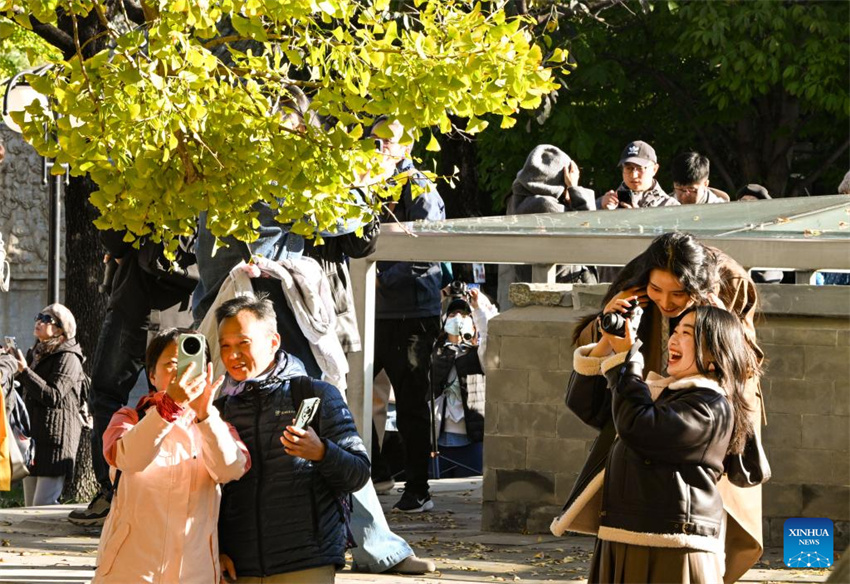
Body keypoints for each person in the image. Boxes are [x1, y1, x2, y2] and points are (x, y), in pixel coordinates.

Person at [554, 232, 766, 584]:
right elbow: (590, 402)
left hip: (689, 491)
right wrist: (608, 334)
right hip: (629, 504)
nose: (666, 304)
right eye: (656, 291)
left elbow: (742, 364)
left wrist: (714, 322)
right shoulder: (631, 289)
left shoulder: (730, 286)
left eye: (679, 295)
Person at [214, 296, 370, 583]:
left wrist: (322, 452)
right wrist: (216, 550)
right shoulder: (219, 409)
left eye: (243, 343)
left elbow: (359, 473)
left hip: (306, 561)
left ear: (273, 342)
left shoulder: (316, 394)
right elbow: (209, 492)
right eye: (225, 346)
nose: (232, 355)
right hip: (239, 565)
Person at [92, 329, 250, 583]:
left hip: (194, 574)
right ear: (152, 375)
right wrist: (169, 408)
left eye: (190, 364)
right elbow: (128, 458)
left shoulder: (216, 425)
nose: (181, 373)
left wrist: (205, 416)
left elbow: (230, 469)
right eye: (171, 365)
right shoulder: (129, 418)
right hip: (130, 571)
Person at [69, 231, 196, 525]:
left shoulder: (138, 188)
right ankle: (165, 488)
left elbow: (113, 237)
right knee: (179, 399)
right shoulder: (212, 190)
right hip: (180, 309)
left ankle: (110, 491)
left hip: (134, 303)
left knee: (107, 394)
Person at [371, 118, 446, 513]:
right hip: (372, 311)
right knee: (351, 391)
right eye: (375, 140)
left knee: (413, 402)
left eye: (389, 141)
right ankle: (376, 472)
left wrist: (382, 279)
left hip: (412, 312)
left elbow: (428, 249)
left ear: (407, 147)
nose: (381, 147)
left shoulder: (419, 186)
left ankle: (418, 488)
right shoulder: (364, 184)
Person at [9, 304, 84, 506]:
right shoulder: (36, 353)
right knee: (29, 507)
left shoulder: (68, 357)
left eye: (46, 319)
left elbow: (54, 395)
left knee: (43, 504)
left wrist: (24, 371)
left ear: (60, 329)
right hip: (33, 440)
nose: (39, 322)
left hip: (55, 442)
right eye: (38, 316)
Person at [501, 144, 597, 294]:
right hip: (561, 289)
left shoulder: (518, 200)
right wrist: (574, 187)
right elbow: (589, 225)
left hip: (540, 285)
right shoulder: (543, 205)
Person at [430, 286, 498, 477]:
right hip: (438, 440)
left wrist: (478, 308)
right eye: (453, 314)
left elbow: (490, 336)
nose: (458, 318)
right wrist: (442, 293)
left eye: (464, 314)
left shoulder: (478, 354)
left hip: (471, 440)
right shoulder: (435, 352)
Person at [598, 141, 678, 210]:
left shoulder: (669, 206)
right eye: (628, 168)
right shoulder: (607, 202)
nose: (633, 175)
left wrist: (637, 218)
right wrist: (600, 206)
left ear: (654, 169)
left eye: (640, 168)